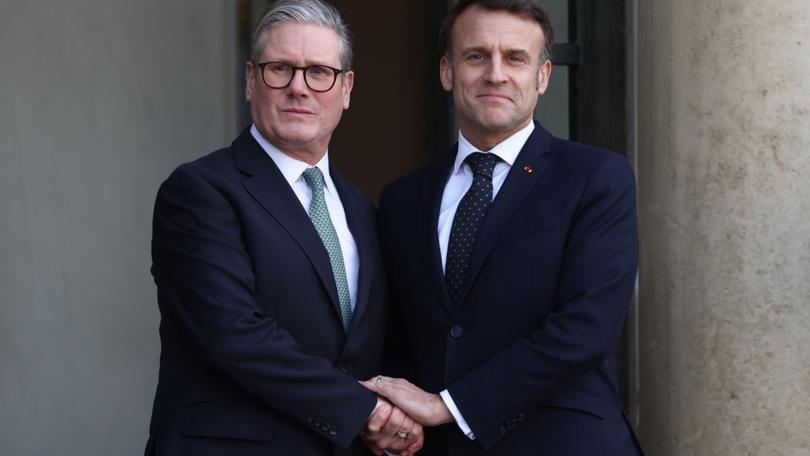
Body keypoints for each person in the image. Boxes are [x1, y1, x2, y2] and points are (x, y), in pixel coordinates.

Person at [364, 0, 644, 454]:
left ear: (543, 76)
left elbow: (586, 327)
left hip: (563, 442)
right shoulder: (403, 198)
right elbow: (400, 336)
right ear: (447, 72)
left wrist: (451, 405)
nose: (496, 73)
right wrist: (390, 416)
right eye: (476, 56)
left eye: (515, 58)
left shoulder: (596, 178)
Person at [145, 1, 422, 454]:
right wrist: (366, 411)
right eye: (280, 69)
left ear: (347, 88)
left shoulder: (361, 209)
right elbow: (234, 333)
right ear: (250, 80)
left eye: (319, 72)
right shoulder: (201, 192)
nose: (299, 87)